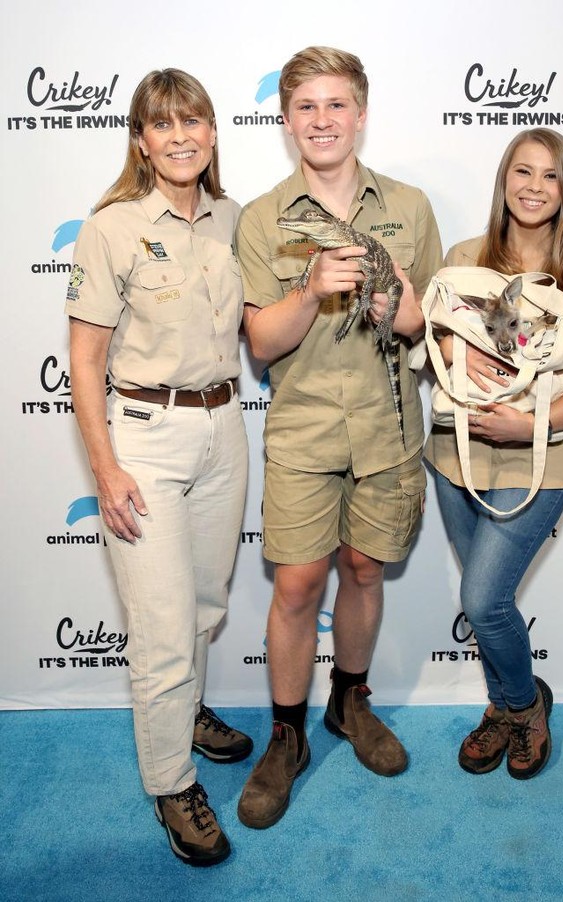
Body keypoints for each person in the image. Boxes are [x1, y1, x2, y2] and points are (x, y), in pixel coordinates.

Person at [234, 46, 442, 828]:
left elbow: (426, 320)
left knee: (362, 570)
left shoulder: (412, 206)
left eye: (336, 104)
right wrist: (310, 288)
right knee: (296, 587)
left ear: (360, 112)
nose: (322, 120)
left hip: (389, 425)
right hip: (304, 429)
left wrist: (403, 312)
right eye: (306, 108)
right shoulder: (262, 217)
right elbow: (261, 342)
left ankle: (348, 705)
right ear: (286, 122)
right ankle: (285, 733)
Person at [66, 68, 252, 866]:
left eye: (194, 121)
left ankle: (187, 713)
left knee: (204, 604)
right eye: (162, 124)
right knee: (164, 629)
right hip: (144, 434)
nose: (180, 136)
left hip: (225, 430)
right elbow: (84, 361)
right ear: (141, 141)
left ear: (213, 133)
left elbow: (261, 323)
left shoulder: (236, 219)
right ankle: (172, 783)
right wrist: (105, 469)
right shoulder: (110, 227)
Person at [428, 128, 563, 779]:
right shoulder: (465, 255)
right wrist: (463, 349)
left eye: (550, 175)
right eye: (523, 171)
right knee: (483, 602)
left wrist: (532, 425)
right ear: (504, 179)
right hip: (454, 457)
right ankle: (501, 707)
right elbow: (431, 337)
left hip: (537, 465)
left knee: (484, 599)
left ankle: (524, 705)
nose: (534, 186)